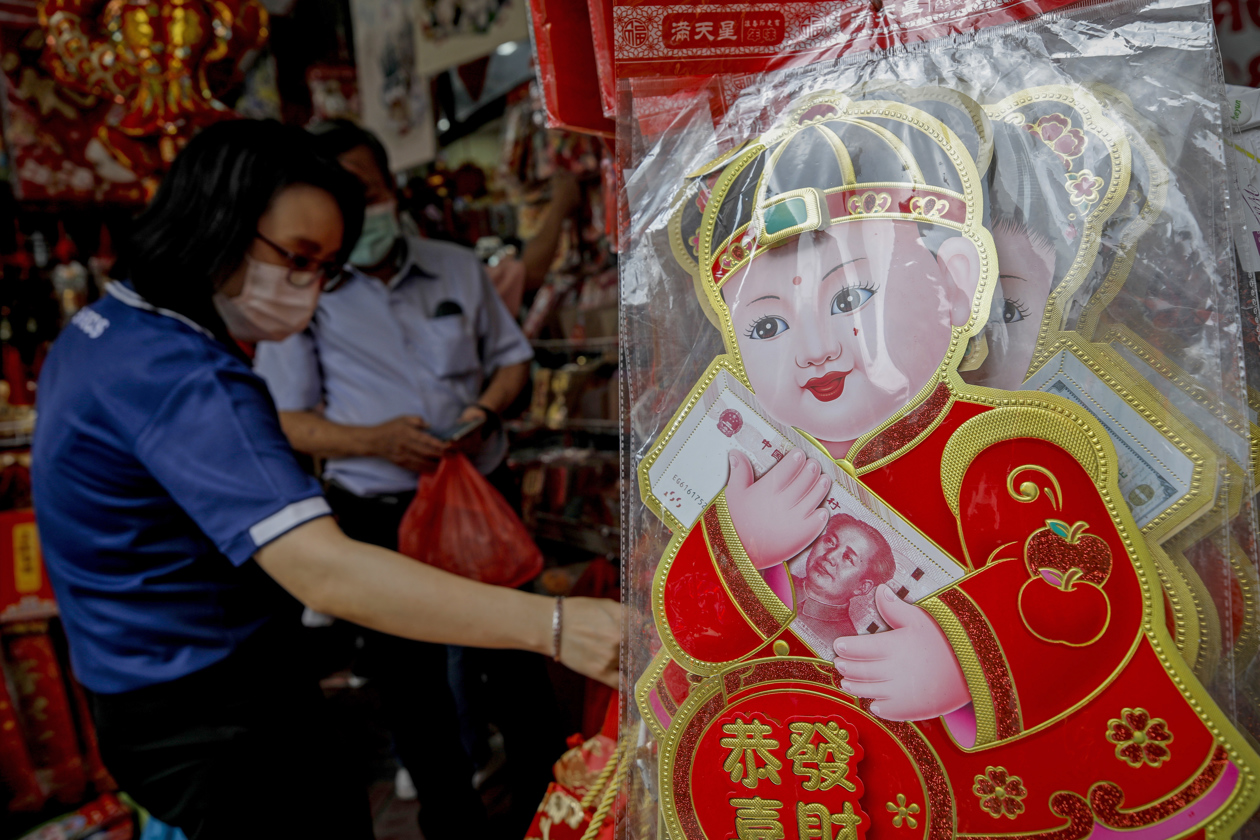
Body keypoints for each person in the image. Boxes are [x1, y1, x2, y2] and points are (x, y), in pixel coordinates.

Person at [640, 89, 1259, 838]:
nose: (814, 348)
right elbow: (699, 641)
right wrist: (741, 542)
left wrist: (958, 655)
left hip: (999, 791)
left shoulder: (998, 449)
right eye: (768, 323)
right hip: (847, 779)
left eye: (851, 299)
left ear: (960, 282)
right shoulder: (761, 473)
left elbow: (1086, 587)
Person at [29, 119, 620, 840]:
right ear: (219, 221)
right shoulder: (183, 376)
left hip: (144, 681)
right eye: (297, 259)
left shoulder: (104, 327)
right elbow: (324, 572)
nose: (310, 289)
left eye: (325, 267)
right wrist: (555, 627)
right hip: (208, 701)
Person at [253, 119, 561, 840]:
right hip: (380, 516)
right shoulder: (310, 295)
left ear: (392, 186)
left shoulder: (455, 268)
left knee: (518, 667)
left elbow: (513, 360)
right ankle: (453, 825)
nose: (362, 208)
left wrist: (485, 409)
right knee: (414, 693)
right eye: (341, 194)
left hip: (480, 501)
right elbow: (288, 419)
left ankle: (552, 815)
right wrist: (374, 440)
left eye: (367, 187)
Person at [790, 513, 896, 645]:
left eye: (848, 557)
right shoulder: (770, 576)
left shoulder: (844, 643)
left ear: (862, 587)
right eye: (830, 542)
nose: (830, 556)